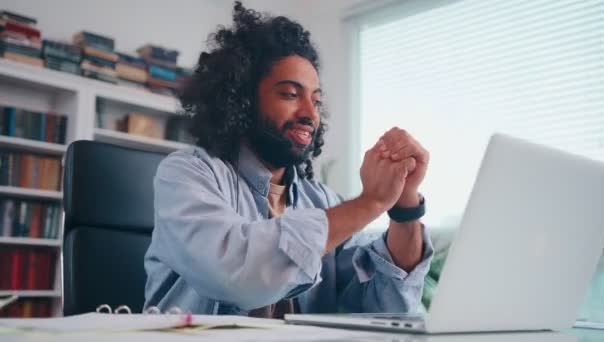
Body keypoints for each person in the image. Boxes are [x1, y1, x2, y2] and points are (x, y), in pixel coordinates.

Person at [144, 1, 433, 317]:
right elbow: (237, 273)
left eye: (316, 100)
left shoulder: (321, 200)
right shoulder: (188, 175)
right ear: (241, 100)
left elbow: (387, 307)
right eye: (290, 95)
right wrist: (370, 202)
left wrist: (405, 208)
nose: (310, 114)